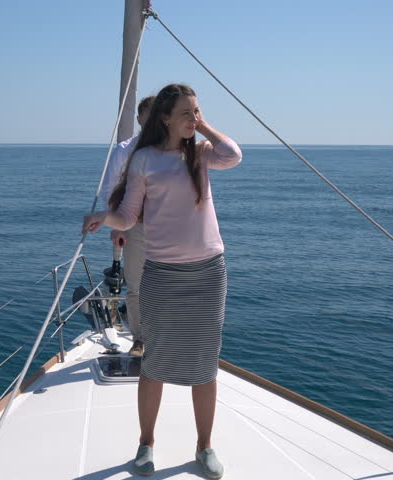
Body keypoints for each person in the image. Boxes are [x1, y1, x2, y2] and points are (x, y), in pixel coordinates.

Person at [82, 84, 242, 479]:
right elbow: (129, 217)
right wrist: (107, 217)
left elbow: (234, 154)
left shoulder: (202, 155)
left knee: (205, 363)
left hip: (207, 272)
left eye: (197, 111)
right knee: (153, 360)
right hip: (163, 272)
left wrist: (202, 126)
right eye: (186, 113)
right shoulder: (144, 160)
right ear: (165, 118)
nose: (193, 118)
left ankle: (204, 446)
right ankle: (146, 443)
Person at [100, 95, 154, 357]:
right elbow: (111, 189)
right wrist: (117, 226)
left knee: (171, 284)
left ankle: (166, 340)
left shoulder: (177, 150)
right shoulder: (125, 150)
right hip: (135, 224)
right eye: (150, 114)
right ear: (140, 119)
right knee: (136, 285)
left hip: (171, 226)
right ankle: (140, 340)